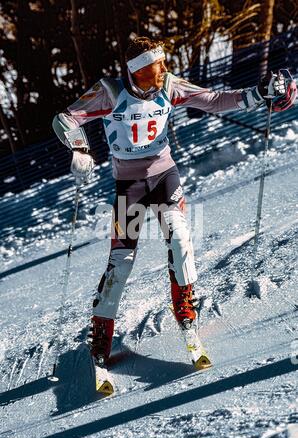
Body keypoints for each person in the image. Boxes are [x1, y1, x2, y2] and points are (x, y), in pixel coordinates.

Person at [52, 36, 296, 371]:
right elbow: (65, 119)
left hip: (165, 175)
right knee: (121, 262)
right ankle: (101, 338)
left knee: (181, 238)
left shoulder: (168, 85)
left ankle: (185, 313)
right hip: (130, 185)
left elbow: (211, 100)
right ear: (138, 70)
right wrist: (79, 149)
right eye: (157, 64)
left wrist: (257, 95)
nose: (165, 69)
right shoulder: (110, 92)